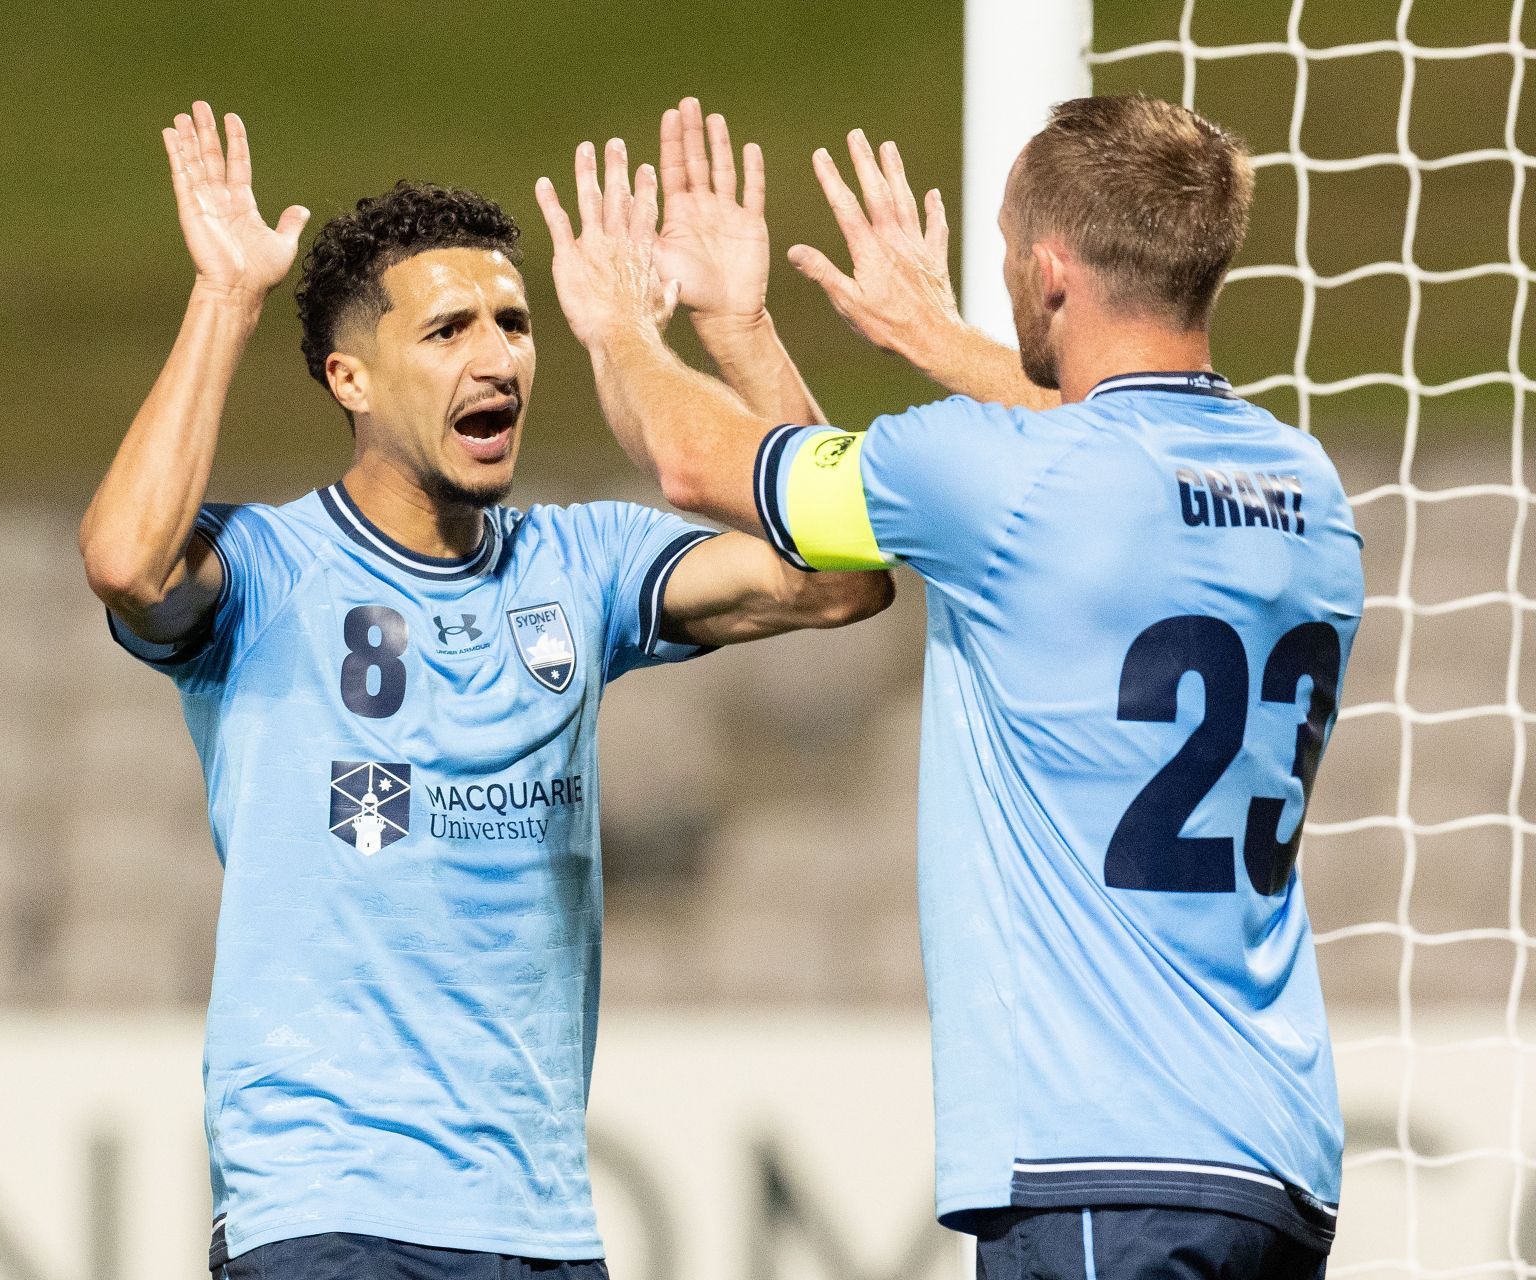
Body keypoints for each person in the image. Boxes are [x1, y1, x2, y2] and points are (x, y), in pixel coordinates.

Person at [536, 95, 1363, 1277]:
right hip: (1275, 1155)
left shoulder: (998, 479)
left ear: (1049, 270)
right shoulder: (1310, 490)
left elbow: (694, 461)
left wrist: (626, 327)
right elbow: (1113, 449)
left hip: (1099, 1157)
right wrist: (887, 336)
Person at [78, 101, 892, 1280]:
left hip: (536, 1219)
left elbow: (840, 586)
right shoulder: (269, 569)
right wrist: (223, 300)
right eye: (450, 328)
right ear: (348, 375)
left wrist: (737, 325)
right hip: (324, 1201)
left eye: (514, 322)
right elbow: (124, 560)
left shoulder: (580, 563)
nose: (499, 355)